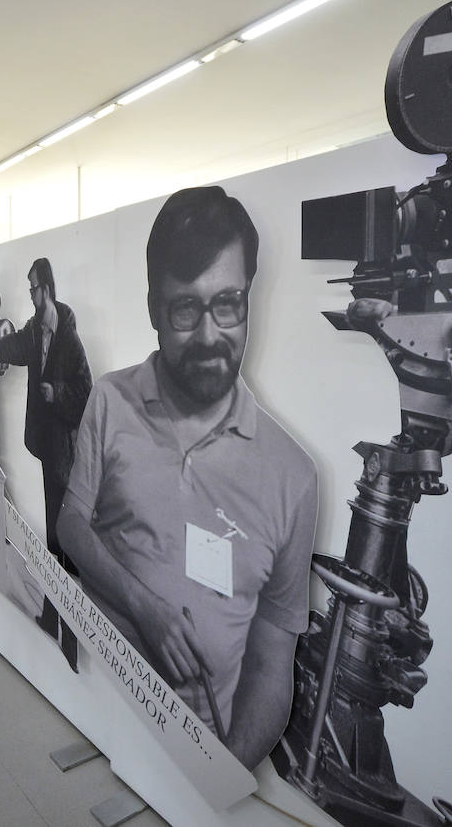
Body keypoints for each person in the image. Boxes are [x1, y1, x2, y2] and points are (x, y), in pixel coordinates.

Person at [57, 186, 319, 769]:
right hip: (89, 707)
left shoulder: (293, 477)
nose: (208, 335)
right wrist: (145, 607)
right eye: (185, 309)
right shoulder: (110, 400)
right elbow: (71, 524)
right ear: (154, 310)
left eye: (227, 303)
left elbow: (273, 658)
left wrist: (224, 776)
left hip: (197, 751)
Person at [0, 257, 92, 669]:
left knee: (63, 538)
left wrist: (58, 395)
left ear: (46, 290)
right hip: (47, 446)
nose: (30, 294)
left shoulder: (68, 339)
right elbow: (16, 346)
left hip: (65, 453)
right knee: (55, 535)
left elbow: (85, 390)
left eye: (33, 288)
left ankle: (71, 629)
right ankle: (57, 614)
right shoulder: (36, 331)